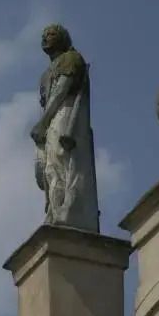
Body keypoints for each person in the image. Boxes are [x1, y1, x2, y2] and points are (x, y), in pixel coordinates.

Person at [29, 24, 100, 232]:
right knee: (50, 167)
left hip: (65, 113)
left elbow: (61, 92)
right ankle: (55, 209)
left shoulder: (71, 59)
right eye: (43, 35)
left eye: (50, 35)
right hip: (52, 118)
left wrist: (43, 122)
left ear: (62, 38)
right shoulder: (46, 73)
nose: (45, 39)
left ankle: (69, 209)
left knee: (63, 159)